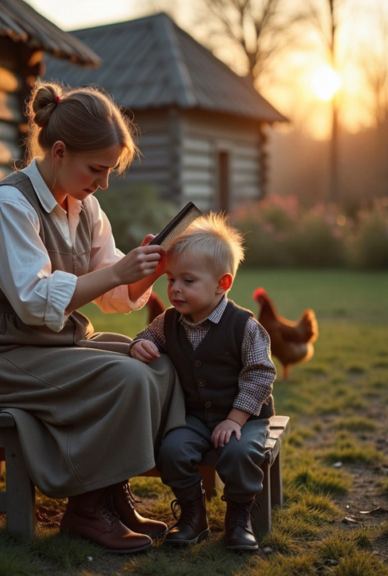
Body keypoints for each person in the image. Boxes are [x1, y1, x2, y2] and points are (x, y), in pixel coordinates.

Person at [0, 81, 185, 554]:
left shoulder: (85, 207)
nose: (103, 182)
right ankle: (85, 509)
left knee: (156, 363)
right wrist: (117, 270)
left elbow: (112, 291)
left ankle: (111, 493)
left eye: (110, 170)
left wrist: (146, 271)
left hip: (43, 343)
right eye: (97, 169)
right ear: (59, 151)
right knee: (127, 378)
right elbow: (35, 301)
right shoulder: (7, 205)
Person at [129, 214, 276, 552]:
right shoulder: (168, 322)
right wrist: (139, 345)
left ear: (221, 284)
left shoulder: (244, 327)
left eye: (188, 281)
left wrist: (235, 418)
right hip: (193, 416)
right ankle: (193, 513)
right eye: (170, 279)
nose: (175, 289)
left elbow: (260, 373)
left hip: (245, 416)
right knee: (172, 450)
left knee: (239, 453)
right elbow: (143, 336)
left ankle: (239, 515)